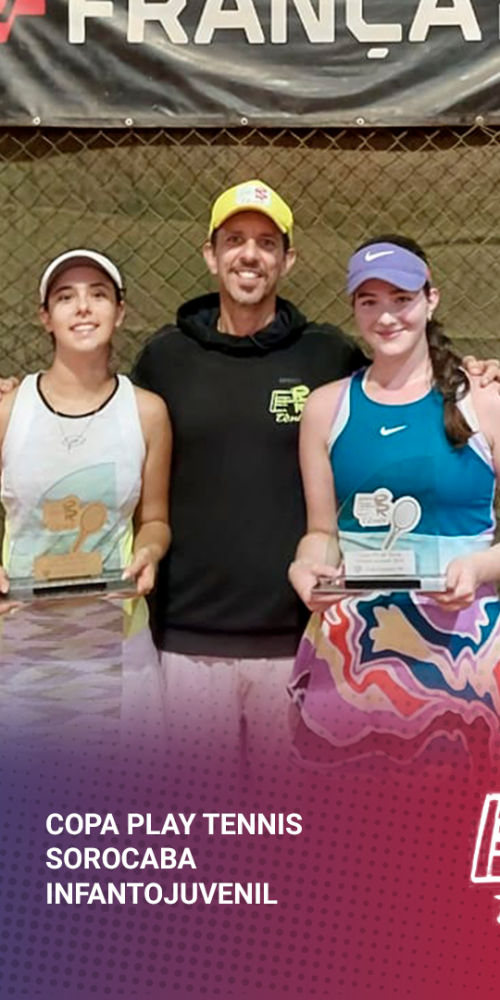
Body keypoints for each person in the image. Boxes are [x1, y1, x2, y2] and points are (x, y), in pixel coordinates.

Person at [288, 235, 500, 772]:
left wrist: (479, 568)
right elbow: (321, 533)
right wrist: (307, 566)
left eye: (401, 298)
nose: (386, 317)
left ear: (431, 299)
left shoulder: (484, 400)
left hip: (465, 657)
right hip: (356, 656)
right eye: (369, 301)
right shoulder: (326, 408)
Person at [0, 249, 172, 752]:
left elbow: (155, 519)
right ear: (45, 317)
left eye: (98, 295)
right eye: (65, 297)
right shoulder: (8, 410)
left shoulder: (147, 412)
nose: (82, 307)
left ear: (120, 312)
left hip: (116, 647)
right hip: (20, 648)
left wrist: (150, 552)